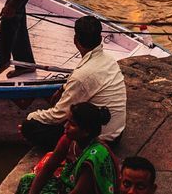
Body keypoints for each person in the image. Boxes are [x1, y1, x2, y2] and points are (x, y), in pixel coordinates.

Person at [21, 15, 127, 152]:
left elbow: (57, 116)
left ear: (75, 40)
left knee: (30, 128)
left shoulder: (82, 76)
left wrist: (31, 118)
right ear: (100, 39)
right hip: (116, 132)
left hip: (102, 139)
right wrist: (62, 89)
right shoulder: (109, 60)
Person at [17, 102, 117, 194]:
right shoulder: (68, 140)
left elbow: (78, 191)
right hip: (66, 186)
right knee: (27, 180)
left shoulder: (95, 156)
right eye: (67, 121)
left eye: (72, 124)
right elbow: (48, 169)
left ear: (86, 131)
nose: (66, 126)